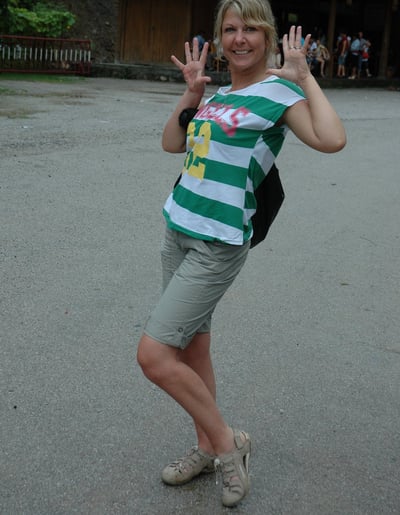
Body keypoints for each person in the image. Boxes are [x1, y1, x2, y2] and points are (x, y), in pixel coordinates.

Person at [137, 0, 346, 508]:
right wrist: (191, 93)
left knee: (154, 356)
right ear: (219, 36)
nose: (240, 38)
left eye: (252, 28)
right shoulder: (220, 93)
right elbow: (172, 144)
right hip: (178, 229)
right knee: (193, 349)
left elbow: (332, 139)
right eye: (230, 29)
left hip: (217, 243)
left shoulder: (279, 93)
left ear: (269, 36)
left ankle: (229, 445)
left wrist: (304, 77)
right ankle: (207, 446)